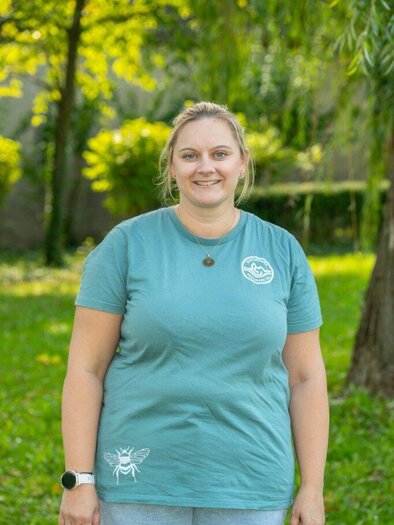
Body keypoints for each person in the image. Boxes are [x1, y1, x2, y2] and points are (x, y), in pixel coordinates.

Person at [59, 101, 329, 525]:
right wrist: (79, 480)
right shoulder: (125, 246)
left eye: (220, 153)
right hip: (137, 485)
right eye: (190, 155)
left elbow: (306, 378)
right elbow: (85, 370)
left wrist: (312, 487)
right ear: (172, 167)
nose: (206, 167)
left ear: (242, 163)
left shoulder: (282, 250)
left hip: (251, 485)